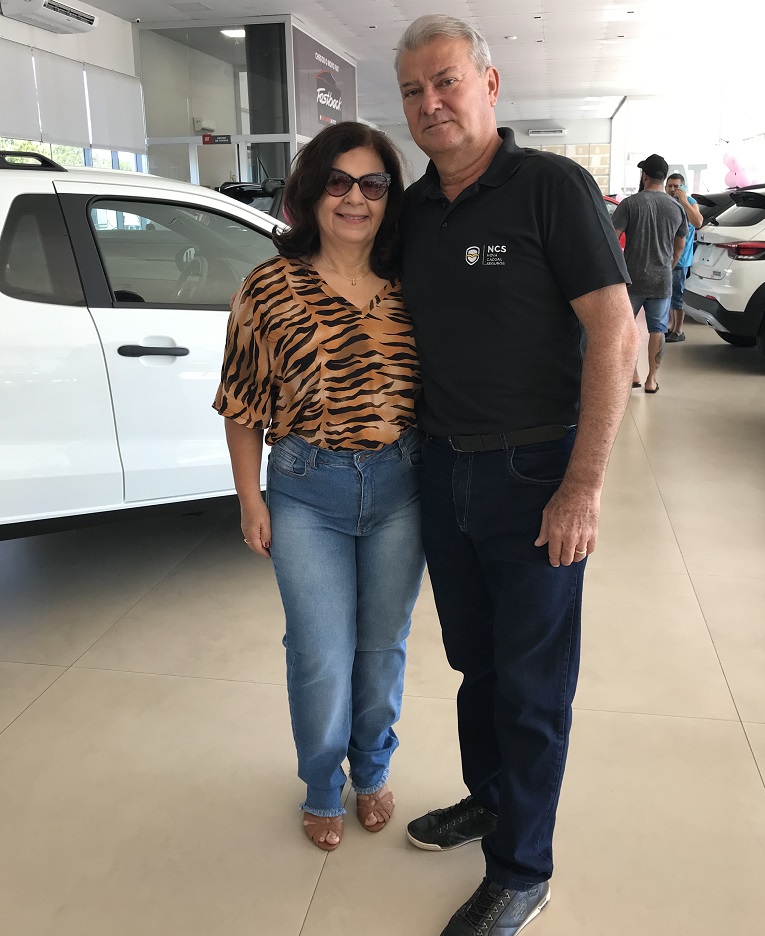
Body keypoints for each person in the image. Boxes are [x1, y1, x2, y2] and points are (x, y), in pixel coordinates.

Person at [394, 15, 640, 936]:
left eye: (446, 81)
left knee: (533, 686)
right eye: (413, 90)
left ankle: (523, 871)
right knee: (477, 664)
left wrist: (583, 485)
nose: (430, 102)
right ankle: (491, 801)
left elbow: (615, 332)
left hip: (536, 472)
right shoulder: (413, 211)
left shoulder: (550, 187)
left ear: (490, 85)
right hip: (440, 468)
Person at [212, 122, 426, 852]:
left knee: (383, 644)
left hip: (401, 486)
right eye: (338, 182)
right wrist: (250, 498)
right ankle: (321, 784)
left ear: (390, 197)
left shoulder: (413, 281)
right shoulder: (268, 287)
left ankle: (373, 769)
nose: (355, 198)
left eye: (372, 184)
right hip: (307, 489)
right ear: (311, 193)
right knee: (319, 651)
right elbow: (241, 403)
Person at [612, 154, 688, 392]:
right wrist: (669, 266)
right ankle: (651, 380)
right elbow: (680, 245)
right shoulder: (677, 207)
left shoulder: (629, 204)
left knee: (628, 328)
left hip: (631, 279)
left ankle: (633, 375)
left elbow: (612, 240)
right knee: (658, 329)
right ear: (664, 178)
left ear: (644, 175)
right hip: (661, 281)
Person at [665, 172, 703, 342]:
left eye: (676, 186)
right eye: (670, 186)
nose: (673, 189)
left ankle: (679, 330)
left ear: (683, 187)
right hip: (666, 256)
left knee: (677, 295)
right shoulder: (666, 202)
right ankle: (673, 327)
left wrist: (684, 201)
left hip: (681, 258)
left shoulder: (691, 202)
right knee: (671, 295)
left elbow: (698, 222)